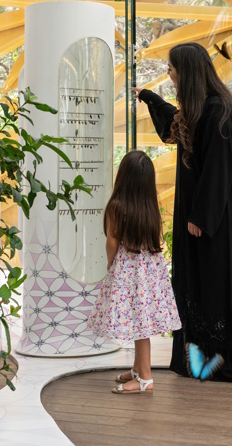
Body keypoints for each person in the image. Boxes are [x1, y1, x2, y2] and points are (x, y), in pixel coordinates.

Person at [132, 42, 232, 385]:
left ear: (187, 72)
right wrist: (149, 97)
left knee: (218, 284)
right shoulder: (198, 109)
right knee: (197, 284)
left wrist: (202, 217)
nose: (169, 74)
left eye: (172, 69)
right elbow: (173, 124)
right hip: (197, 218)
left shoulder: (218, 110)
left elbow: (218, 170)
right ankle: (200, 359)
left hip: (213, 222)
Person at [87, 150, 182, 394]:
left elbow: (112, 242)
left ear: (123, 177)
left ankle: (145, 378)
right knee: (142, 321)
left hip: (128, 272)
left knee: (140, 326)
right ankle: (138, 369)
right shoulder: (150, 206)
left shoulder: (116, 207)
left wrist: (110, 263)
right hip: (150, 273)